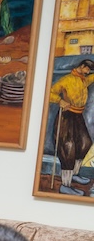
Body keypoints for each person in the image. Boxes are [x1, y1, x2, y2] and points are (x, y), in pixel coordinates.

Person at [47, 59, 94, 195]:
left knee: (85, 143)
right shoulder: (66, 80)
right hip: (66, 116)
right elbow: (50, 93)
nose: (88, 72)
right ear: (82, 67)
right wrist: (60, 101)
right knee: (68, 148)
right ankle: (65, 185)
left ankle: (74, 173)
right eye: (87, 70)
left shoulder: (83, 79)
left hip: (78, 116)